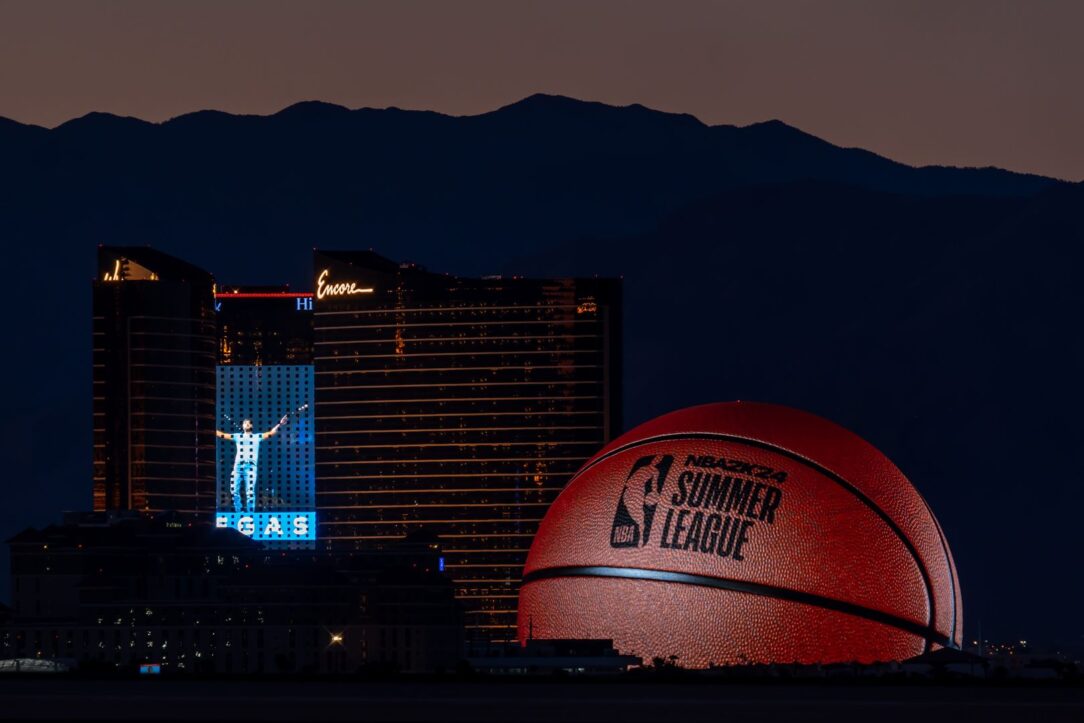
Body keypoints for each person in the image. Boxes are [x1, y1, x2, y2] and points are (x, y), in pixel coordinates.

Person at [217, 416, 288, 513]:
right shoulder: (238, 436)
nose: (246, 424)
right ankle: (239, 512)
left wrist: (280, 423)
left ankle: (250, 514)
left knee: (250, 493)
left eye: (248, 423)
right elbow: (223, 435)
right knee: (234, 491)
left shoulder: (257, 437)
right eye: (244, 423)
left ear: (251, 425)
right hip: (237, 468)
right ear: (242, 426)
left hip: (250, 468)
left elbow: (271, 433)